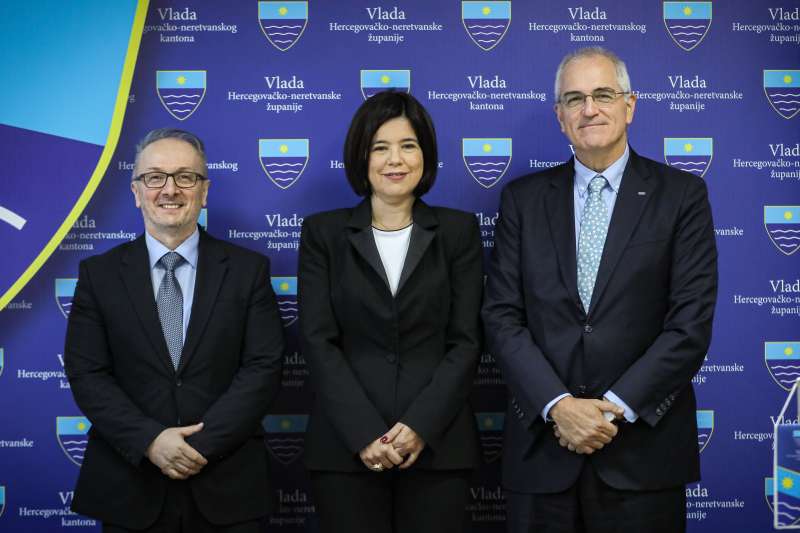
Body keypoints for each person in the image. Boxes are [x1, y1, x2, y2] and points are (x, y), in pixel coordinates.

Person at [482, 47, 718, 533]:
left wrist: (611, 411)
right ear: (560, 116)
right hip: (543, 453)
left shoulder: (682, 196)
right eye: (575, 99)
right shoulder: (522, 200)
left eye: (603, 95)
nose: (589, 109)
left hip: (642, 456)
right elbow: (501, 317)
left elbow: (689, 324)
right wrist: (560, 407)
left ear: (629, 105)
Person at [64, 128, 285, 533]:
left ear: (204, 191)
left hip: (227, 482)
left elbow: (263, 367)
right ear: (136, 192)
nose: (170, 189)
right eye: (155, 177)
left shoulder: (248, 270)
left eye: (186, 177)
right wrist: (151, 440)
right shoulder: (98, 275)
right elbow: (87, 374)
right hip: (130, 486)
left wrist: (197, 447)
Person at [298, 91, 483, 533]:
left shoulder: (458, 232)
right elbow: (318, 341)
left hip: (438, 446)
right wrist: (364, 432)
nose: (394, 160)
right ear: (360, 157)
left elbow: (466, 342)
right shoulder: (323, 233)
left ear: (426, 155)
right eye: (380, 147)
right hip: (345, 448)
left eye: (408, 145)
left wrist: (419, 425)